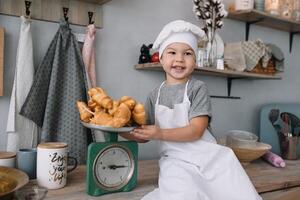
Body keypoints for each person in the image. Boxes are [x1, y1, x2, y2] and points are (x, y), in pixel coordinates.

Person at [120, 20, 262, 200]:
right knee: (183, 194)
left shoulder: (197, 88)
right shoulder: (154, 95)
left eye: (187, 53)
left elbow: (196, 131)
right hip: (175, 161)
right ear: (161, 58)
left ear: (195, 60)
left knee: (237, 192)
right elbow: (144, 134)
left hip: (208, 157)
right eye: (172, 52)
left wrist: (160, 133)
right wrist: (120, 130)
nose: (179, 59)